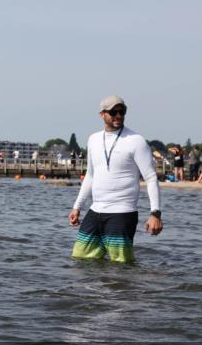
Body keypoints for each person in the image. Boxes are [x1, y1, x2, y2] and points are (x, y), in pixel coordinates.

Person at [68, 96, 162, 264]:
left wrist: (155, 213)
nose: (118, 115)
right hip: (95, 211)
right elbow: (90, 175)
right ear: (102, 115)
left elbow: (151, 177)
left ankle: (125, 291)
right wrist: (77, 207)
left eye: (122, 112)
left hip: (122, 213)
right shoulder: (93, 139)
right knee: (79, 260)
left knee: (122, 267)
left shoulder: (136, 141)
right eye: (113, 112)